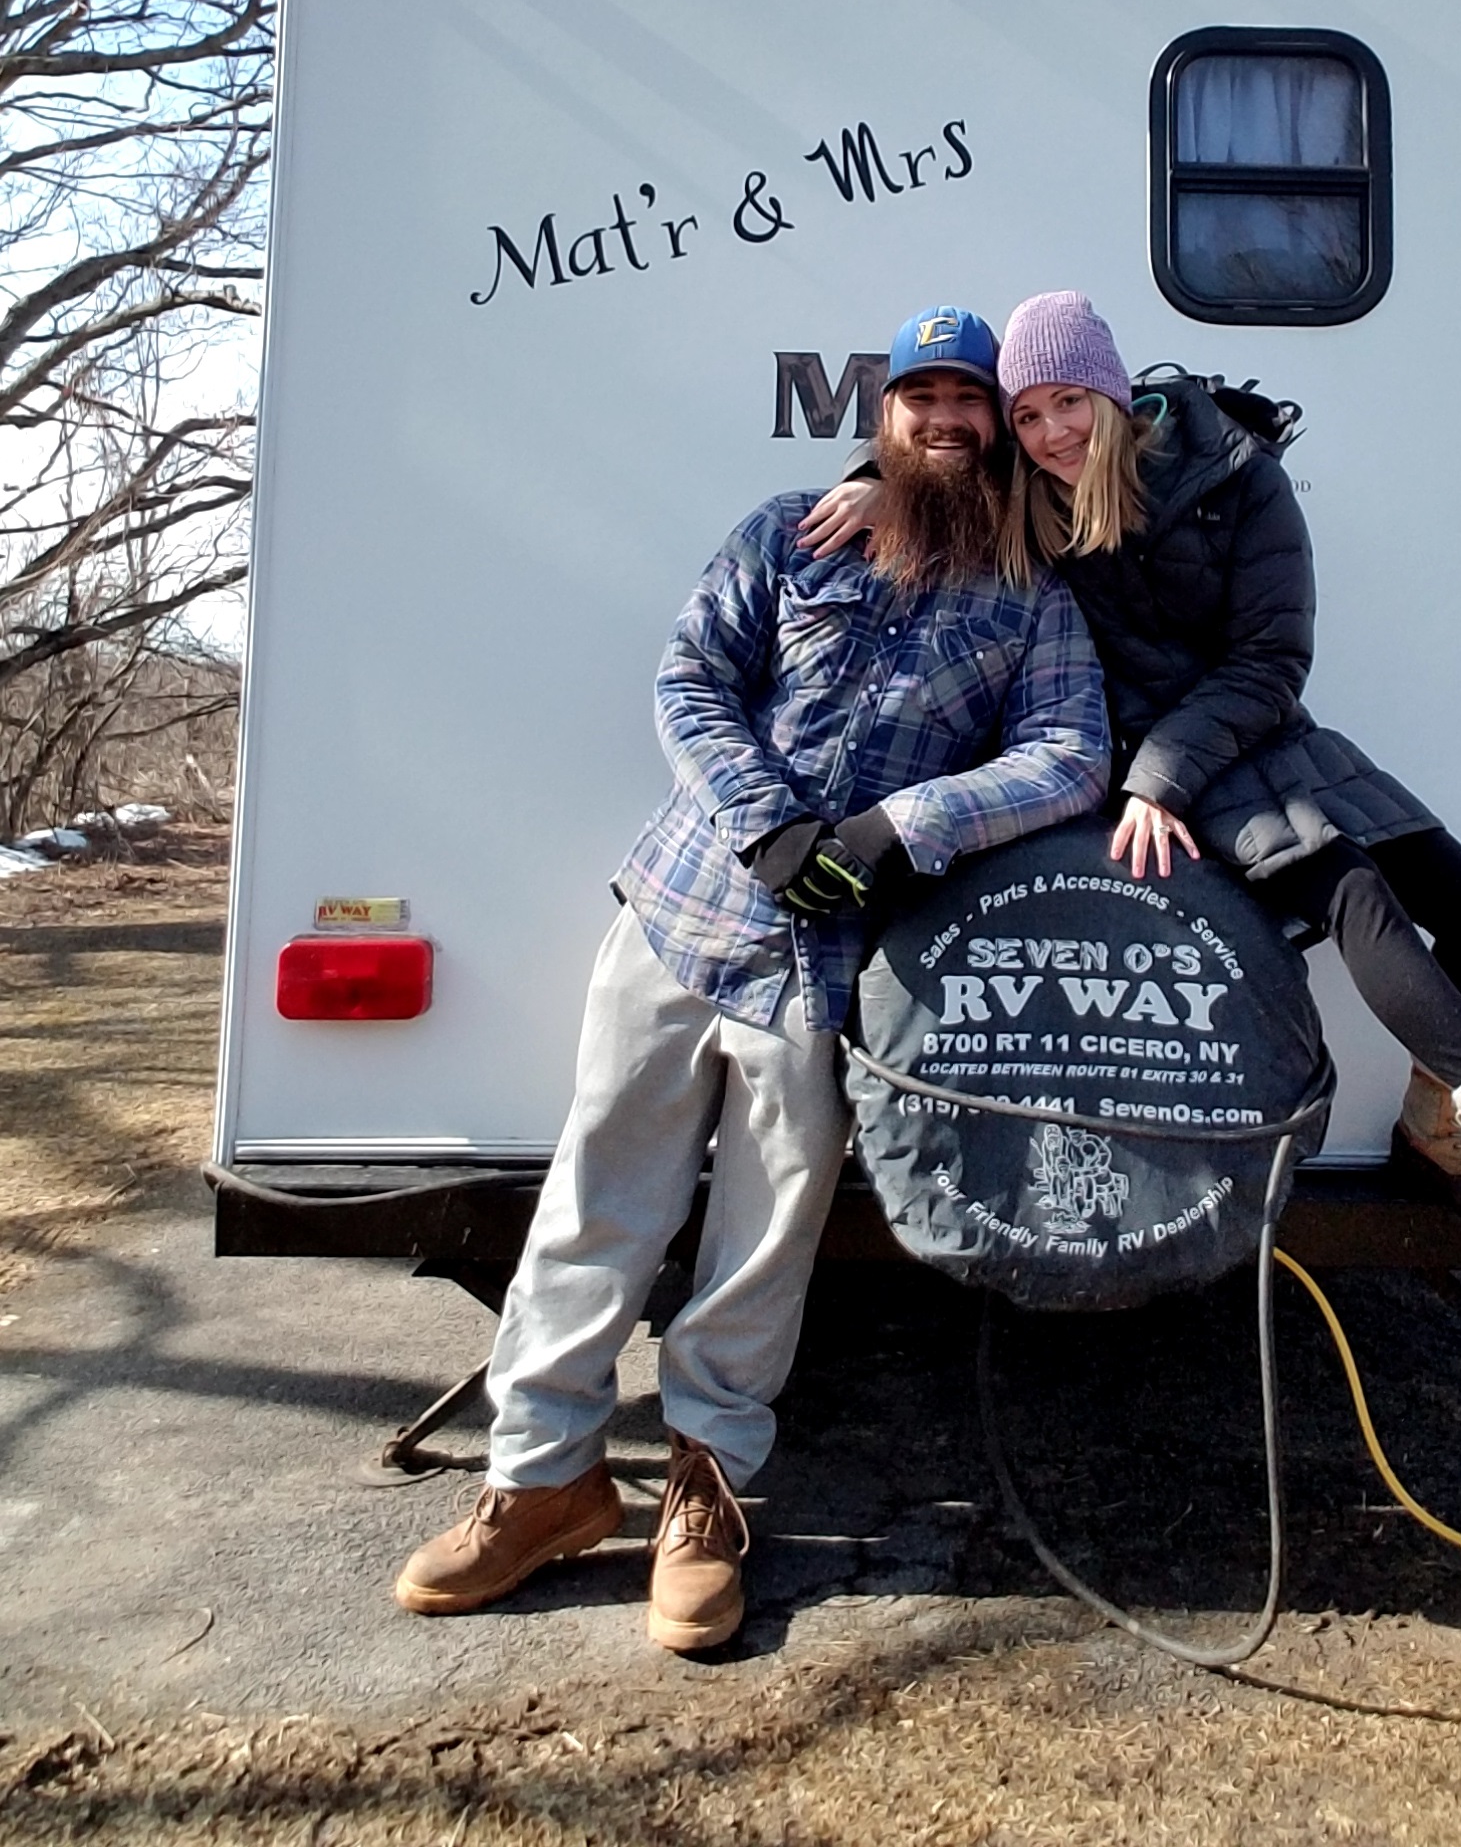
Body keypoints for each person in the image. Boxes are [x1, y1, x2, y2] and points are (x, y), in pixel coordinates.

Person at [395, 304, 1109, 1650]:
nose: (947, 420)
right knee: (597, 1200)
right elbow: (690, 678)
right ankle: (538, 1483)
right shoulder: (789, 529)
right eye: (923, 399)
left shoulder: (1033, 592)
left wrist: (902, 829)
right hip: (680, 915)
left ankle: (705, 1494)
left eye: (971, 401)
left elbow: (1071, 752)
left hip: (836, 965)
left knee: (764, 1239)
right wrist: (765, 821)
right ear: (883, 420)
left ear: (996, 432)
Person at [804, 292, 1461, 1251]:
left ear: (1115, 396)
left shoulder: (1235, 478)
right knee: (1355, 897)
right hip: (1154, 764)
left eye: (1069, 403)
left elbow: (1272, 659)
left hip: (1259, 729)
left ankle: (1434, 1134)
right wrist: (876, 476)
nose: (1047, 434)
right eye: (1029, 414)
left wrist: (1172, 765)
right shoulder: (1026, 491)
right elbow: (938, 451)